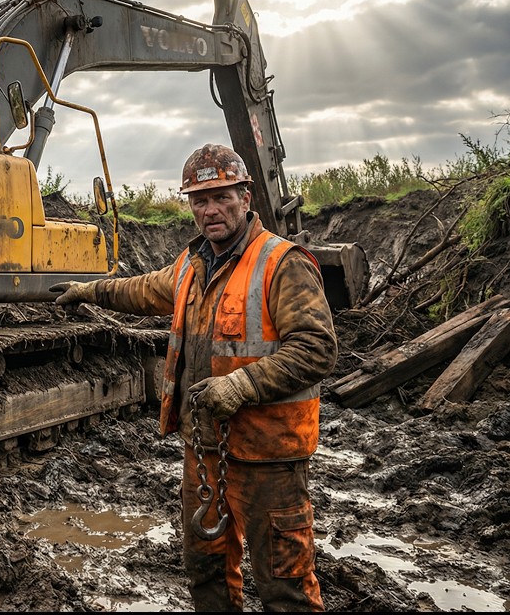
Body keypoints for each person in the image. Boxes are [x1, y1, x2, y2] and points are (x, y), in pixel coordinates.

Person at [50, 143, 336, 611]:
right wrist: (89, 289)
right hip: (205, 450)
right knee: (206, 573)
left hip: (269, 456)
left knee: (284, 587)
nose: (211, 210)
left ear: (246, 197)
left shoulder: (281, 263)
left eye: (221, 196)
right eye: (200, 200)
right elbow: (142, 289)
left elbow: (317, 347)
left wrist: (242, 385)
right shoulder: (192, 264)